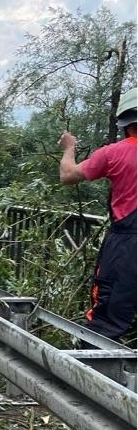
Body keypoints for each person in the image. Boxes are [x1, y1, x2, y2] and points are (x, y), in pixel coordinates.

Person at [58, 86, 137, 339]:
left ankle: (90, 375)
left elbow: (68, 176)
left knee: (106, 321)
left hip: (128, 245)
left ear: (126, 123)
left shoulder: (114, 153)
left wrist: (69, 147)